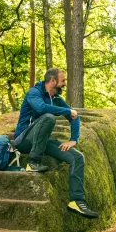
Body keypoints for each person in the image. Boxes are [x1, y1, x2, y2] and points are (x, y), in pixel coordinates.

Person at [14, 68, 98, 219]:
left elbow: (75, 117)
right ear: (53, 81)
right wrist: (65, 111)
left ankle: (77, 201)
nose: (65, 84)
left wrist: (73, 139)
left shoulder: (56, 99)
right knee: (48, 117)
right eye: (63, 81)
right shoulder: (34, 92)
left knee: (77, 158)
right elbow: (41, 108)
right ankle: (33, 162)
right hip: (24, 140)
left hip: (42, 141)